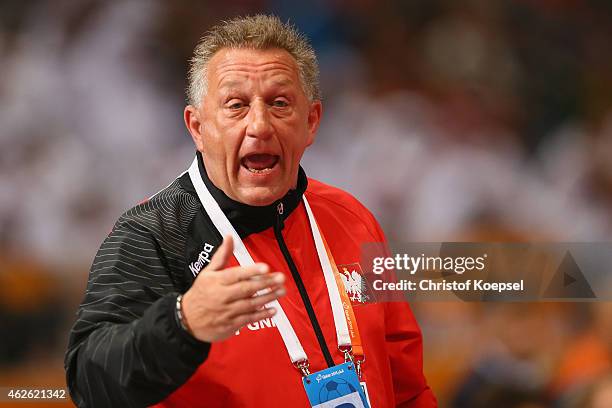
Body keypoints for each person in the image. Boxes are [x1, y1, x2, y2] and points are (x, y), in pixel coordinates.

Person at [65, 14, 437, 408]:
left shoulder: (353, 219)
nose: (259, 124)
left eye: (279, 103)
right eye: (236, 106)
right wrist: (182, 323)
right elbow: (88, 381)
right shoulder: (153, 236)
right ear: (197, 127)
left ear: (311, 121)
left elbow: (407, 387)